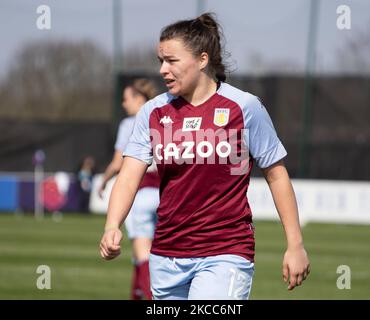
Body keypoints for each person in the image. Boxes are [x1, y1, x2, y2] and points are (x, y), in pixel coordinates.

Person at [100, 13, 310, 300]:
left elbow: (277, 175)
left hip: (226, 252)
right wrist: (112, 225)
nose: (163, 69)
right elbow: (128, 176)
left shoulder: (244, 107)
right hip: (166, 255)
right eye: (160, 60)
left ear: (202, 59)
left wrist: (295, 244)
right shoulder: (153, 112)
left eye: (172, 60)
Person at [98, 79, 160, 300]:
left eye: (126, 99)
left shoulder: (130, 123)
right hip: (164, 194)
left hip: (140, 194)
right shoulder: (163, 116)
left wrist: (104, 180)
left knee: (142, 253)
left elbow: (118, 163)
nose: (124, 104)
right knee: (148, 255)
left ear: (139, 99)